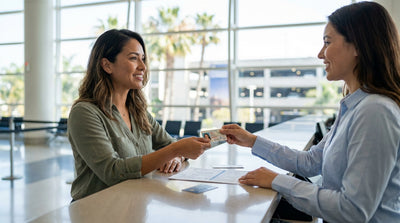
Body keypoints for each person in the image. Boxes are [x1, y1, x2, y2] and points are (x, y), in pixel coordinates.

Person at [220, 2, 400, 222]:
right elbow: (310, 162)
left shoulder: (375, 111)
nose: (320, 54)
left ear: (358, 46)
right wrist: (251, 140)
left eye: (327, 42)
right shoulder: (354, 107)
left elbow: (352, 210)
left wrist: (278, 181)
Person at [68, 29, 211, 200]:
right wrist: (175, 150)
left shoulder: (138, 111)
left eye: (143, 59)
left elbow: (169, 144)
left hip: (133, 205)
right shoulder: (84, 112)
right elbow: (112, 171)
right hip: (96, 209)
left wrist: (177, 157)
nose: (143, 67)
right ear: (107, 65)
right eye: (133, 58)